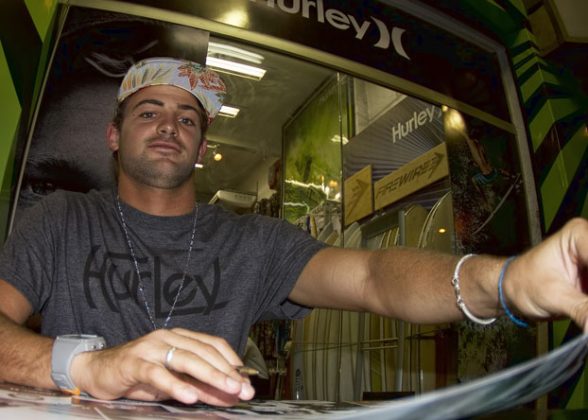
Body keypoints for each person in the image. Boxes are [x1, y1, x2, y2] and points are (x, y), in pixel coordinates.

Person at [0, 57, 587, 408]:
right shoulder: (59, 221)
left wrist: (507, 279)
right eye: (148, 111)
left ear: (203, 148)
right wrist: (87, 365)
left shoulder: (253, 241)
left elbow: (371, 276)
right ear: (113, 135)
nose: (168, 126)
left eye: (187, 118)